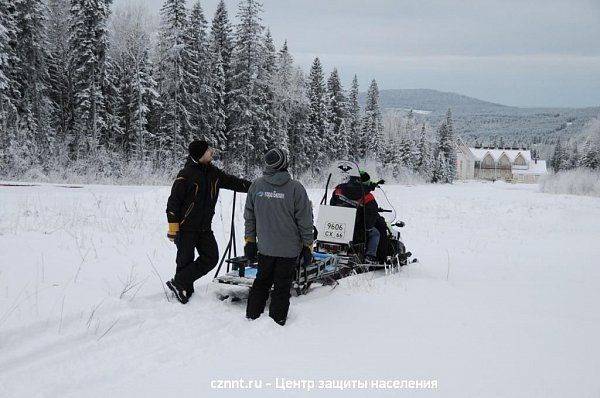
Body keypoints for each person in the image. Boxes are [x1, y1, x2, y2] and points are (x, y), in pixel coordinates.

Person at [165, 140, 252, 304]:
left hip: (204, 228)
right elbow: (173, 203)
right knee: (184, 261)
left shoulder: (213, 173)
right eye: (208, 150)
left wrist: (255, 187)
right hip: (185, 228)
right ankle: (184, 290)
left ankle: (178, 281)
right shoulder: (186, 174)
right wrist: (173, 228)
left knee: (211, 258)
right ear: (200, 154)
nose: (212, 151)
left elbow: (234, 182)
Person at [244, 148, 314, 326]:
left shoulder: (257, 186)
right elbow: (305, 220)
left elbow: (249, 216)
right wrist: (308, 246)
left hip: (265, 247)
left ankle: (252, 316)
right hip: (289, 250)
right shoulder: (295, 188)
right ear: (285, 164)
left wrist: (250, 241)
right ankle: (277, 320)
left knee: (262, 281)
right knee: (282, 286)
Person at [330, 170, 384, 264]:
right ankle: (370, 256)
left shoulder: (338, 190)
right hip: (356, 228)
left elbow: (332, 205)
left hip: (337, 225)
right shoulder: (367, 196)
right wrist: (368, 228)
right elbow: (371, 214)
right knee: (375, 233)